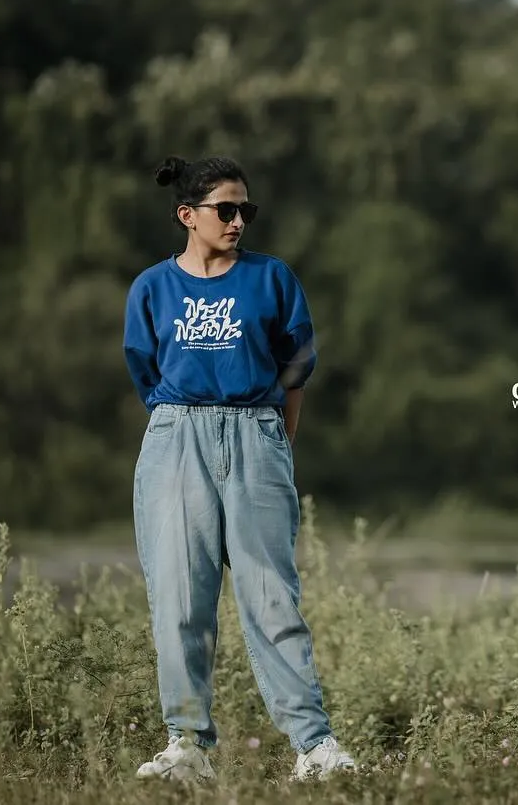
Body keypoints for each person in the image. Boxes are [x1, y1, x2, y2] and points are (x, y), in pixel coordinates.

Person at [123, 154, 355, 783]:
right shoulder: (151, 288)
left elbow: (296, 364)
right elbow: (146, 371)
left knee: (272, 597)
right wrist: (185, 423)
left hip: (257, 433)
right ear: (186, 215)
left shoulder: (271, 278)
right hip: (176, 437)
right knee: (179, 598)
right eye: (224, 209)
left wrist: (277, 440)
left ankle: (314, 746)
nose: (237, 220)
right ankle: (187, 746)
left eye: (245, 210)